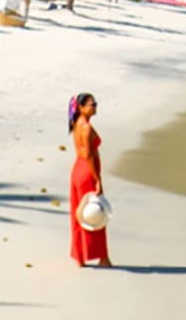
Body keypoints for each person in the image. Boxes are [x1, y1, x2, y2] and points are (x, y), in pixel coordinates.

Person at [68, 92, 112, 268]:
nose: (95, 107)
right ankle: (103, 258)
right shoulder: (85, 127)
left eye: (95, 103)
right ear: (81, 107)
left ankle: (80, 256)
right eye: (92, 104)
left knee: (80, 214)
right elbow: (88, 155)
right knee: (96, 213)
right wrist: (98, 178)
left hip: (78, 170)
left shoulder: (77, 124)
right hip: (87, 171)